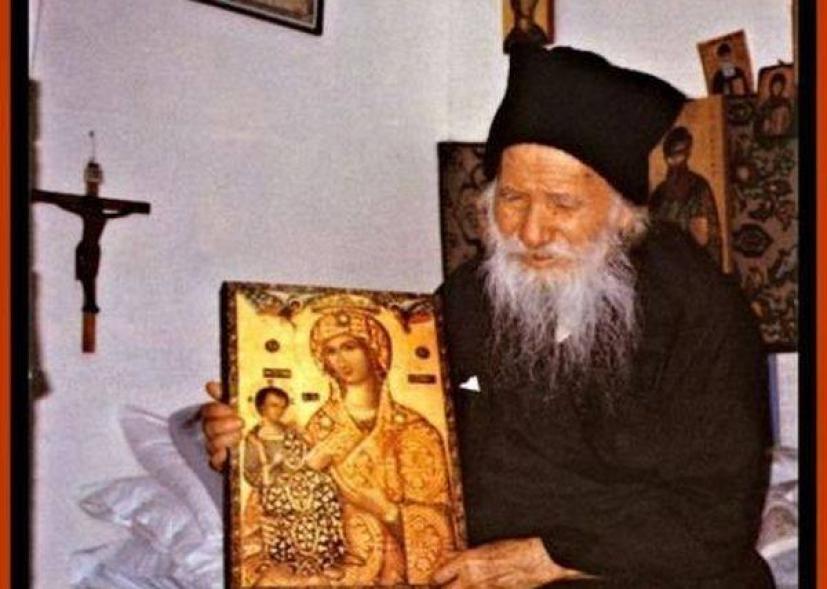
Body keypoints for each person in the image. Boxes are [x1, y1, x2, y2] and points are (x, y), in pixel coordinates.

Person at [203, 46, 773, 587]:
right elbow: (397, 424)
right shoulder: (467, 298)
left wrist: (548, 558)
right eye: (513, 199)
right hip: (476, 568)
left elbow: (718, 516)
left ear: (623, 216)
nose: (530, 232)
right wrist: (264, 434)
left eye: (563, 205)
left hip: (644, 574)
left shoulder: (702, 310)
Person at [240, 386, 347, 582]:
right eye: (274, 405)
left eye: (282, 406)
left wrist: (310, 451)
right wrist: (271, 469)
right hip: (273, 487)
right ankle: (290, 559)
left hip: (300, 480)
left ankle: (327, 557)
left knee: (325, 491)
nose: (279, 411)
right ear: (261, 407)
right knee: (298, 506)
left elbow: (304, 457)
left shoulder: (291, 431)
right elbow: (250, 472)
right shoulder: (254, 439)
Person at [649, 126, 722, 267]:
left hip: (692, 265)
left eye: (678, 155)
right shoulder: (659, 193)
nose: (673, 161)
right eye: (670, 156)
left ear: (687, 154)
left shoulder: (698, 187)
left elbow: (704, 237)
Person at [756, 72, 794, 138]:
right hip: (768, 135)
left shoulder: (786, 102)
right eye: (775, 86)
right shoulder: (765, 104)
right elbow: (759, 121)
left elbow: (790, 121)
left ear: (782, 88)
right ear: (771, 86)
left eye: (779, 86)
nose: (777, 88)